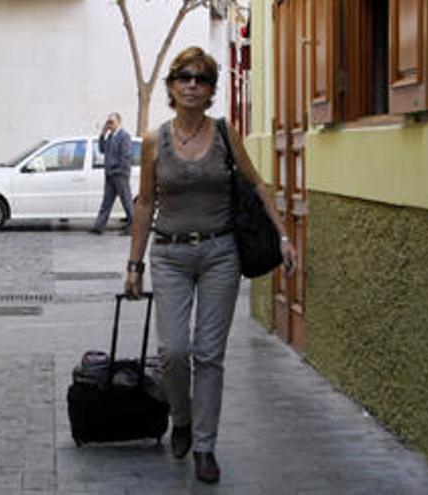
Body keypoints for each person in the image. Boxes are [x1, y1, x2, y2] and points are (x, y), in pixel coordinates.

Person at [123, 47, 296, 484]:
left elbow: (257, 184)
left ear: (212, 89)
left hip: (220, 254)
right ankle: (180, 418)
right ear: (171, 87)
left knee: (209, 355)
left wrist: (283, 235)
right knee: (174, 352)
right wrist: (134, 265)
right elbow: (145, 202)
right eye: (184, 77)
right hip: (170, 256)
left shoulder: (224, 134)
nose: (192, 85)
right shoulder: (153, 140)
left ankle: (204, 445)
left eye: (201, 79)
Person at [90, 112, 134, 235]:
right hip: (109, 174)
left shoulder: (124, 136)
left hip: (120, 175)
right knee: (106, 202)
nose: (109, 124)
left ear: (119, 122)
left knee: (127, 202)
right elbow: (102, 149)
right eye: (108, 122)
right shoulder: (110, 136)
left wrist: (119, 170)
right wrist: (103, 134)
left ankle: (133, 227)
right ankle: (98, 227)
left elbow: (126, 156)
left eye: (111, 122)